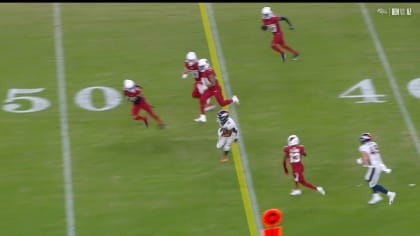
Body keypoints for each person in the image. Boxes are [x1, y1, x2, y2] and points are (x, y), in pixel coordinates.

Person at [194, 58, 240, 123]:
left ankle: (233, 99)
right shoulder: (205, 70)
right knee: (202, 99)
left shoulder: (209, 71)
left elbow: (213, 83)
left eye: (202, 66)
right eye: (200, 67)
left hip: (215, 89)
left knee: (222, 103)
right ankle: (203, 117)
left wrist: (205, 86)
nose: (200, 68)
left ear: (206, 65)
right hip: (210, 89)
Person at [356, 133, 396, 205]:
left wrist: (361, 161)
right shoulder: (374, 144)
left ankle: (390, 194)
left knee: (372, 185)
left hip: (374, 167)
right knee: (367, 179)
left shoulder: (363, 147)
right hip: (378, 165)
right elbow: (372, 155)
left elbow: (365, 160)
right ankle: (376, 196)